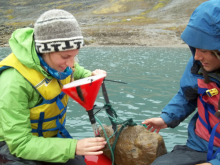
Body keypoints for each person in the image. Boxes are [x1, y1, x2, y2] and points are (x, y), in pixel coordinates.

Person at [0, 9, 107, 165]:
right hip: (13, 146)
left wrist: (93, 75)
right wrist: (73, 147)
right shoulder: (13, 82)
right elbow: (20, 143)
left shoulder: (61, 64)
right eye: (65, 57)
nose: (71, 64)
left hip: (50, 138)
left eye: (75, 56)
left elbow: (79, 72)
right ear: (45, 51)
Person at [142, 0, 220, 165]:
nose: (197, 56)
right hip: (199, 146)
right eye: (194, 48)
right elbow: (187, 96)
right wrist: (166, 118)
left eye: (204, 50)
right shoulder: (198, 65)